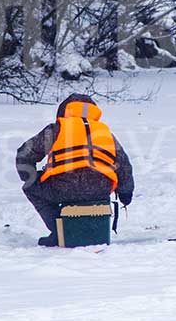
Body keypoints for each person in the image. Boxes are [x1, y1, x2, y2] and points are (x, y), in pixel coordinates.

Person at [16, 93, 135, 246]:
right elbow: (124, 165)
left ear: (64, 110)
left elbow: (24, 154)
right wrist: (125, 193)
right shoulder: (105, 133)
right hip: (100, 190)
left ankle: (60, 232)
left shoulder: (56, 130)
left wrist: (30, 177)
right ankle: (95, 229)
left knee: (30, 187)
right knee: (102, 184)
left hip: (62, 188)